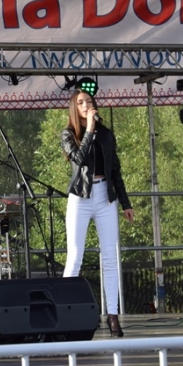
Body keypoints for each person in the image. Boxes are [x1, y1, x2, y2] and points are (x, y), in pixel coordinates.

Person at [61, 90, 134, 337]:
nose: (86, 105)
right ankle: (65, 313)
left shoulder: (106, 134)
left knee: (110, 257)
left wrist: (125, 203)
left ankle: (112, 316)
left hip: (105, 196)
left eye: (89, 101)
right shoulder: (68, 134)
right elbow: (79, 159)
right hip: (80, 197)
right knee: (75, 257)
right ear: (74, 108)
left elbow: (115, 170)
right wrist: (89, 131)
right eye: (80, 102)